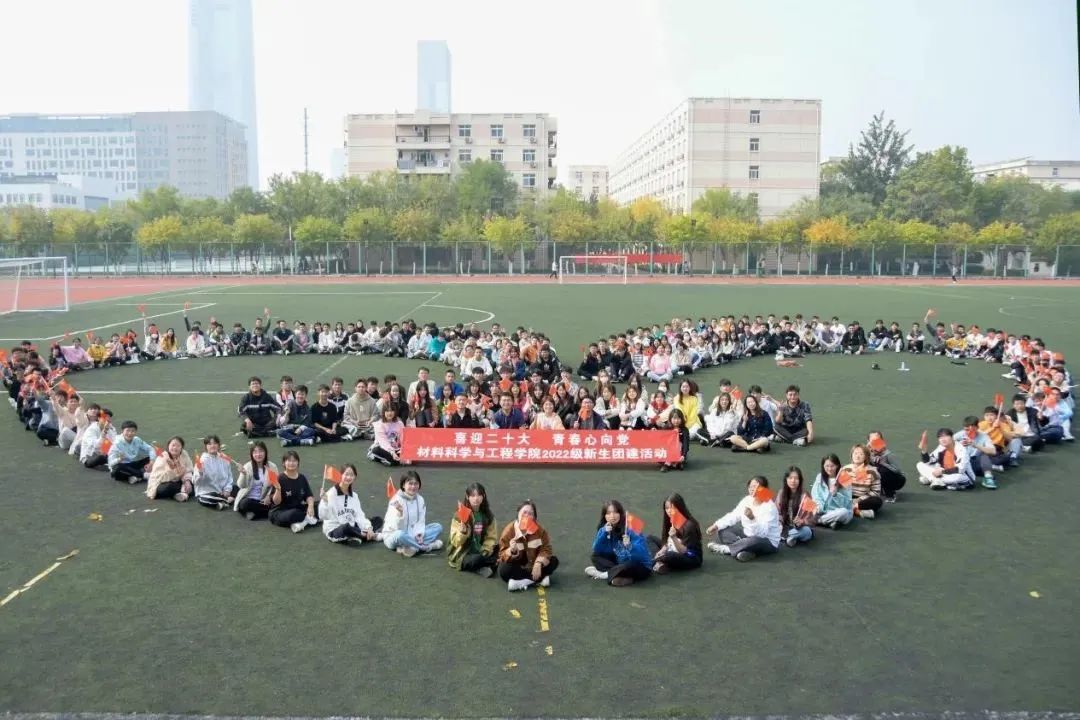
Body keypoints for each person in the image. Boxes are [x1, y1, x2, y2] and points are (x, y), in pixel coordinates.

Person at [705, 476, 781, 562]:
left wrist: (752, 519)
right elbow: (734, 515)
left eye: (756, 486)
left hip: (767, 542)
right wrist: (716, 525)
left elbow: (762, 534)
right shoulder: (747, 500)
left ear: (764, 489)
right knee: (722, 531)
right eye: (750, 486)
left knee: (753, 541)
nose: (752, 489)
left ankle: (727, 549)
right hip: (747, 535)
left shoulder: (769, 507)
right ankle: (745, 550)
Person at [585, 500, 652, 587]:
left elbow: (641, 555)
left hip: (639, 566)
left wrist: (630, 546)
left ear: (620, 514)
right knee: (595, 556)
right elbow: (597, 549)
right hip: (619, 562)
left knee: (628, 565)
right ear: (605, 516)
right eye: (608, 513)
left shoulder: (631, 527)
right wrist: (603, 533)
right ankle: (623, 577)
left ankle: (603, 575)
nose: (612, 516)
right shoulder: (605, 529)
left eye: (615, 512)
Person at [496, 500, 558, 591]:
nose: (527, 516)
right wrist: (511, 551)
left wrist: (538, 563)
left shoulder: (540, 531)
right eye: (524, 512)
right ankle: (538, 579)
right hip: (518, 566)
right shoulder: (509, 531)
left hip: (533, 565)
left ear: (534, 517)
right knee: (503, 570)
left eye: (530, 514)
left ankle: (521, 582)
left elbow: (546, 548)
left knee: (553, 561)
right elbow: (501, 555)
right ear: (518, 514)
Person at [382, 470, 443, 557]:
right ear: (403, 485)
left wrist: (419, 534)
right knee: (400, 535)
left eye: (416, 483)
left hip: (413, 535)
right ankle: (425, 547)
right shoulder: (396, 500)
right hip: (393, 536)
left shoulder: (420, 499)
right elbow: (395, 528)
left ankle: (409, 547)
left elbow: (421, 520)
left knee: (437, 527)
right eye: (410, 483)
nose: (413, 487)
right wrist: (400, 513)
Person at [447, 482, 498, 577]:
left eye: (479, 495)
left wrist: (485, 551)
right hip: (464, 554)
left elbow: (491, 538)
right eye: (473, 495)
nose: (476, 498)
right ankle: (486, 566)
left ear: (483, 496)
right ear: (467, 496)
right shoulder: (459, 515)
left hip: (481, 551)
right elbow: (455, 542)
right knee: (476, 560)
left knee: (499, 548)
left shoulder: (488, 516)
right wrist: (463, 532)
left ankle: (483, 565)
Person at [319, 464, 379, 544]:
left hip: (352, 525)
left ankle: (360, 535)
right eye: (346, 474)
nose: (349, 477)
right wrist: (325, 502)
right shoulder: (330, 494)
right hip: (335, 529)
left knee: (377, 520)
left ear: (355, 477)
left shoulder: (354, 496)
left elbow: (359, 515)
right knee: (346, 527)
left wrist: (369, 528)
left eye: (351, 475)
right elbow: (323, 516)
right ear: (341, 475)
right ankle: (369, 536)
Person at [647, 493, 702, 575]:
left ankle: (655, 562)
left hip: (691, 557)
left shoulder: (689, 526)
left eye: (672, 508)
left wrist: (674, 537)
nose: (669, 511)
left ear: (680, 508)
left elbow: (685, 551)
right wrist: (662, 550)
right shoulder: (670, 521)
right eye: (667, 508)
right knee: (650, 538)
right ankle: (660, 563)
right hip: (672, 549)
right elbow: (667, 542)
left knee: (669, 555)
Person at [268, 450, 319, 533]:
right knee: (293, 514)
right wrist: (278, 489)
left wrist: (310, 506)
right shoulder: (280, 478)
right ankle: (309, 519)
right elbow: (276, 502)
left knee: (320, 505)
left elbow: (309, 495)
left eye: (294, 460)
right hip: (280, 512)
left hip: (297, 508)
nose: (291, 463)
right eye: (289, 461)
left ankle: (303, 522)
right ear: (284, 463)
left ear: (298, 462)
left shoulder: (302, 478)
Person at [234, 441, 277, 520]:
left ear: (265, 452)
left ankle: (254, 513)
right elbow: (241, 486)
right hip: (249, 499)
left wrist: (269, 496)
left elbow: (275, 484)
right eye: (255, 452)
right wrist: (243, 474)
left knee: (281, 499)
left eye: (261, 451)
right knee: (245, 504)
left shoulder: (272, 466)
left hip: (263, 499)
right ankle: (270, 512)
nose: (258, 454)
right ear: (252, 454)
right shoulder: (247, 466)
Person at [811, 453, 854, 529]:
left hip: (838, 510)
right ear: (823, 466)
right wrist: (818, 508)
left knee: (843, 512)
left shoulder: (845, 478)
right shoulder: (820, 477)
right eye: (827, 466)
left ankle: (818, 521)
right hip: (823, 510)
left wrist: (835, 494)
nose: (830, 469)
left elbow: (847, 503)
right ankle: (831, 522)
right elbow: (816, 496)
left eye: (832, 466)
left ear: (837, 465)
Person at [145, 436, 194, 502]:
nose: (175, 448)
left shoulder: (184, 454)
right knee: (170, 486)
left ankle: (182, 494)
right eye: (173, 445)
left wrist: (187, 481)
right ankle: (184, 492)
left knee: (194, 479)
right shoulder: (162, 458)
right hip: (161, 484)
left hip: (179, 480)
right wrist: (171, 470)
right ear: (168, 446)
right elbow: (159, 477)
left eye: (178, 446)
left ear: (181, 447)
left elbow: (189, 469)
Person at [192, 434, 235, 510]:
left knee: (237, 488)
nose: (212, 446)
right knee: (205, 498)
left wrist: (227, 490)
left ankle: (222, 501)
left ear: (218, 445)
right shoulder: (202, 461)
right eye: (209, 444)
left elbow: (229, 477)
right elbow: (195, 482)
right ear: (206, 447)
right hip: (207, 492)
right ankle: (227, 500)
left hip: (222, 491)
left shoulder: (224, 458)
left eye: (215, 443)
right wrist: (200, 473)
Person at [776, 466, 814, 547]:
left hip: (800, 528)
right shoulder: (782, 493)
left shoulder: (805, 495)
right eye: (790, 478)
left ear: (800, 480)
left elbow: (812, 517)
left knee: (807, 531)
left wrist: (802, 521)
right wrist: (780, 522)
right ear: (786, 479)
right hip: (785, 526)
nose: (793, 481)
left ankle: (787, 537)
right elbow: (777, 512)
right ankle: (791, 538)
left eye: (796, 478)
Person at [107, 420, 154, 484]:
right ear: (122, 431)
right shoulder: (117, 443)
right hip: (122, 466)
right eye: (127, 430)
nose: (130, 433)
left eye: (132, 431)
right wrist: (119, 459)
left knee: (153, 458)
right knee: (117, 469)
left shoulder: (137, 440)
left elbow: (150, 449)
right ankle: (143, 475)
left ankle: (135, 476)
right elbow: (110, 464)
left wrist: (151, 463)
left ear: (135, 432)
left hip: (132, 464)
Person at [844, 444, 883, 518]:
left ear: (866, 457)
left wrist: (859, 500)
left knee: (877, 501)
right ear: (851, 455)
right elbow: (841, 489)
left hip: (864, 499)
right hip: (848, 497)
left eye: (861, 454)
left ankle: (851, 509)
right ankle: (858, 512)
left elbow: (876, 492)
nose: (857, 456)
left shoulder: (872, 471)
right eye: (855, 453)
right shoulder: (846, 469)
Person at [866, 433, 907, 502]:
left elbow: (897, 470)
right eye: (873, 440)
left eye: (878, 440)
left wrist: (882, 463)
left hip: (897, 480)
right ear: (868, 442)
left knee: (882, 470)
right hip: (879, 477)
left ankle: (890, 494)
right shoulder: (865, 453)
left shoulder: (888, 454)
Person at [660, 408, 690, 472]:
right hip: (668, 450)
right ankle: (675, 464)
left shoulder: (684, 430)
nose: (676, 421)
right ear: (670, 419)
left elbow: (686, 444)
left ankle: (668, 464)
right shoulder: (666, 427)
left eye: (678, 418)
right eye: (674, 418)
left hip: (679, 452)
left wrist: (683, 455)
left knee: (679, 444)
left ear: (681, 419)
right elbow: (661, 440)